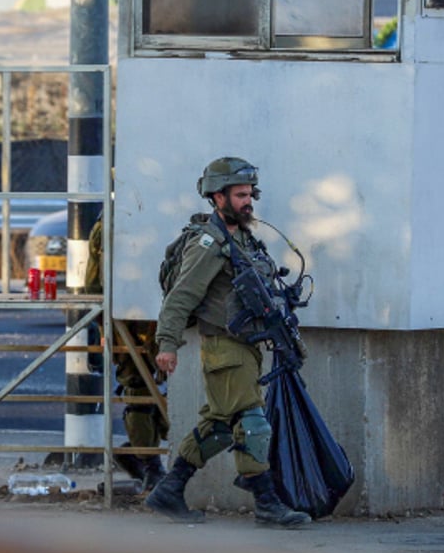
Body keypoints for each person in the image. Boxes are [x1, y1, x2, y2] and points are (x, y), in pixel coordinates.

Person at [145, 157, 310, 527]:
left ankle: (170, 490)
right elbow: (181, 296)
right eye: (239, 195)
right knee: (252, 422)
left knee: (219, 425)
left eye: (250, 193)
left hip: (247, 345)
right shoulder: (209, 243)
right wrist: (167, 343)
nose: (248, 201)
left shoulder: (244, 237)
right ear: (217, 197)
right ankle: (267, 503)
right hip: (225, 346)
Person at [84, 218, 169, 493]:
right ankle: (149, 462)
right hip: (131, 313)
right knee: (139, 388)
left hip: (161, 308)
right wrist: (104, 324)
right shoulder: (110, 222)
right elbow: (95, 283)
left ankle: (141, 453)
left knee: (158, 390)